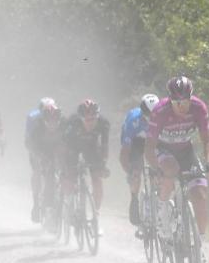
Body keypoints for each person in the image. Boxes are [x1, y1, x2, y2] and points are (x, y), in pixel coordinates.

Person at [146, 76, 209, 263]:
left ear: (191, 97)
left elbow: (208, 140)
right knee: (170, 171)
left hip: (186, 151)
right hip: (163, 150)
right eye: (177, 102)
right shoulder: (160, 111)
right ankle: (162, 210)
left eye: (185, 101)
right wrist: (155, 168)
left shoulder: (199, 108)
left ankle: (199, 247)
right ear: (170, 99)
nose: (181, 106)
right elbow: (149, 147)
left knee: (200, 195)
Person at [60, 99, 111, 232]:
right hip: (73, 147)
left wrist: (103, 165)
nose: (91, 123)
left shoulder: (103, 124)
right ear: (81, 118)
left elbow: (104, 147)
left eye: (93, 119)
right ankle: (69, 203)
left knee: (97, 178)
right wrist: (65, 168)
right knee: (70, 175)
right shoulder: (72, 123)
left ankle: (96, 216)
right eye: (87, 120)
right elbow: (64, 147)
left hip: (91, 148)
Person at [120, 93, 160, 226]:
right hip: (135, 142)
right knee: (136, 172)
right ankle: (134, 200)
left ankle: (158, 200)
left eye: (155, 114)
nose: (151, 118)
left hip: (153, 141)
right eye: (148, 115)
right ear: (143, 113)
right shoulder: (133, 121)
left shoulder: (162, 118)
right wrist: (130, 171)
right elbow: (124, 154)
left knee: (158, 169)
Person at [25, 98, 62, 223]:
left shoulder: (60, 117)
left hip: (54, 147)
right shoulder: (33, 118)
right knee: (37, 171)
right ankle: (36, 203)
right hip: (38, 146)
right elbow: (29, 142)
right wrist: (39, 157)